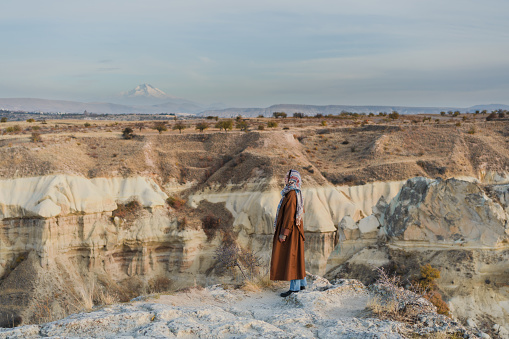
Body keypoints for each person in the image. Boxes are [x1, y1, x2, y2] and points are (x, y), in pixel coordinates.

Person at [270, 169, 307, 297]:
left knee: (292, 258)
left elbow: (290, 216)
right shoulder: (294, 192)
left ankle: (295, 288)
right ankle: (302, 284)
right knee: (297, 257)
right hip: (295, 231)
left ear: (292, 179)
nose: (284, 179)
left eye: (286, 177)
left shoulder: (291, 194)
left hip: (291, 231)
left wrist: (284, 233)